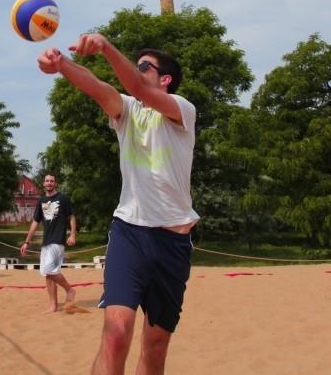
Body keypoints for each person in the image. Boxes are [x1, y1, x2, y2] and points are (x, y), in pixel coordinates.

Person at [38, 35, 198, 375]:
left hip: (172, 243)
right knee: (116, 333)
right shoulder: (127, 111)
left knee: (154, 349)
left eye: (144, 66)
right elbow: (99, 87)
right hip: (129, 234)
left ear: (165, 78)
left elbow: (140, 89)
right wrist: (62, 64)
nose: (137, 70)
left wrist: (107, 47)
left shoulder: (182, 109)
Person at [20, 174, 77, 314]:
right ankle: (53, 306)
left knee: (48, 270)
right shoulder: (41, 201)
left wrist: (73, 234)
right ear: (43, 184)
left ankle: (70, 289)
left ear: (55, 183)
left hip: (58, 241)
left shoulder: (62, 198)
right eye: (47, 181)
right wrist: (27, 242)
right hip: (46, 242)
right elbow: (35, 222)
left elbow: (72, 217)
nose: (49, 183)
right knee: (48, 274)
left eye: (52, 180)